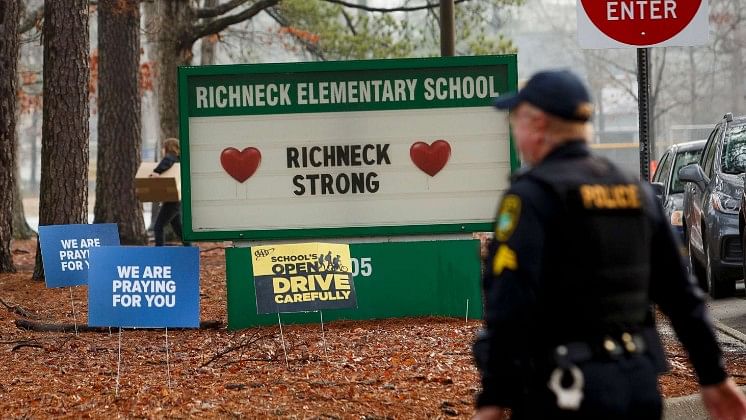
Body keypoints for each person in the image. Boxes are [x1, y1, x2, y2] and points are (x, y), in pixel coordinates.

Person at [473, 69, 746, 420]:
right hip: (638, 384)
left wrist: (494, 397)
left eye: (516, 121)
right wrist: (713, 377)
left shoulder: (532, 197)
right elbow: (681, 296)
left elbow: (510, 304)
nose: (515, 133)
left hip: (564, 390)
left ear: (538, 124)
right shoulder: (634, 191)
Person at [150, 137, 183, 246]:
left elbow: (168, 160)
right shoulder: (179, 159)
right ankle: (190, 250)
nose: (162, 150)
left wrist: (156, 172)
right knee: (178, 228)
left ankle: (160, 253)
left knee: (158, 227)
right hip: (177, 199)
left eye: (163, 148)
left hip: (172, 200)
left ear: (167, 148)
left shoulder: (171, 157)